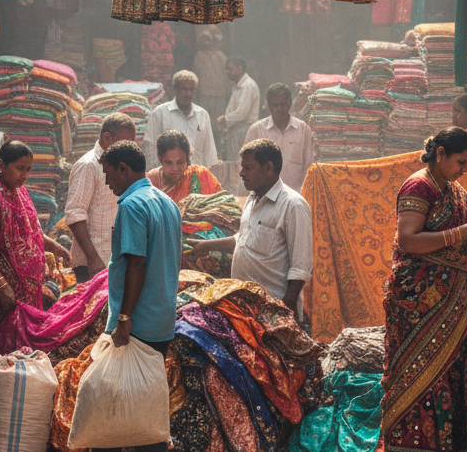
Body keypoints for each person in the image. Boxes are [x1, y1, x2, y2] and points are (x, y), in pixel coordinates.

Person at [380, 127, 467, 452]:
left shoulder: (453, 189)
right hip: (421, 304)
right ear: (440, 154)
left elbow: (451, 238)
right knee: (423, 374)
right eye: (460, 162)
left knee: (457, 371)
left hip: (457, 304)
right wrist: (459, 235)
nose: (465, 169)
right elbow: (408, 240)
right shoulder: (419, 186)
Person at [99, 140, 181, 452]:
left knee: (112, 408)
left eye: (109, 175)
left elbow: (137, 262)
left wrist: (123, 318)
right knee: (147, 406)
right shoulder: (166, 202)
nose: (108, 183)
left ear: (123, 168)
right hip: (160, 321)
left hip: (136, 325)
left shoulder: (132, 206)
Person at [0, 140, 71, 357]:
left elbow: (31, 232)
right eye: (20, 168)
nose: (24, 175)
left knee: (21, 351)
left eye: (28, 170)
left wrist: (55, 246)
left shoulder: (19, 193)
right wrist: (1, 285)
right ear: (1, 165)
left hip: (23, 291)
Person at [186, 139, 312, 321]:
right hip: (245, 310)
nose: (241, 173)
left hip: (273, 313)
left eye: (248, 167)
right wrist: (204, 246)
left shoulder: (293, 205)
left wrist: (285, 310)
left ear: (268, 168)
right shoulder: (252, 200)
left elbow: (301, 267)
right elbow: (242, 241)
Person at [66, 113, 139, 283]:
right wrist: (93, 259)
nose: (128, 148)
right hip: (93, 263)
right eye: (125, 142)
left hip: (114, 258)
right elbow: (74, 215)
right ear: (107, 138)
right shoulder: (88, 166)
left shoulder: (118, 164)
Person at [243, 83, 314, 191]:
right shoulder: (256, 130)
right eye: (274, 105)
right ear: (268, 105)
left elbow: (309, 166)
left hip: (295, 196)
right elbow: (247, 166)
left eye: (283, 104)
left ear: (290, 102)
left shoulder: (303, 129)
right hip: (264, 197)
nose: (279, 109)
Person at [143, 70, 218, 169]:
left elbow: (209, 150)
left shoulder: (203, 115)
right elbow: (150, 148)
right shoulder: (160, 113)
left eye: (192, 89)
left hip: (196, 176)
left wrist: (210, 177)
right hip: (169, 175)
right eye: (184, 89)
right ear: (175, 89)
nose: (188, 94)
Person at [146, 129, 223, 202]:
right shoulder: (150, 182)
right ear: (160, 159)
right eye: (169, 163)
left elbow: (224, 205)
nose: (175, 168)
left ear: (187, 158)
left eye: (180, 162)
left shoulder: (200, 176)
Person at [218, 56, 260, 160]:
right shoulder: (238, 85)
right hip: (237, 131)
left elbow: (241, 113)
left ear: (240, 68)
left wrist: (225, 119)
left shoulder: (247, 85)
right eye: (226, 69)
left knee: (240, 165)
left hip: (244, 131)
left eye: (230, 69)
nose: (227, 72)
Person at [192, 26, 229, 122]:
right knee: (213, 119)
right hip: (214, 93)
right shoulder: (220, 56)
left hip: (210, 93)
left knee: (207, 119)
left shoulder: (200, 56)